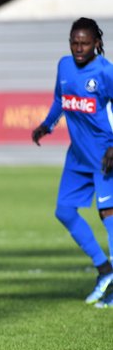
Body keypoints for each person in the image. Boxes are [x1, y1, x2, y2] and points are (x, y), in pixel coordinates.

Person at [33, 17, 113, 308]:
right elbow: (60, 99)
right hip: (78, 155)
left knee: (109, 216)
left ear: (97, 44)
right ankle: (104, 270)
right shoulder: (64, 66)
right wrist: (46, 125)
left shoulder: (105, 72)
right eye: (74, 42)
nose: (79, 48)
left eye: (85, 43)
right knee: (64, 211)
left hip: (105, 157)